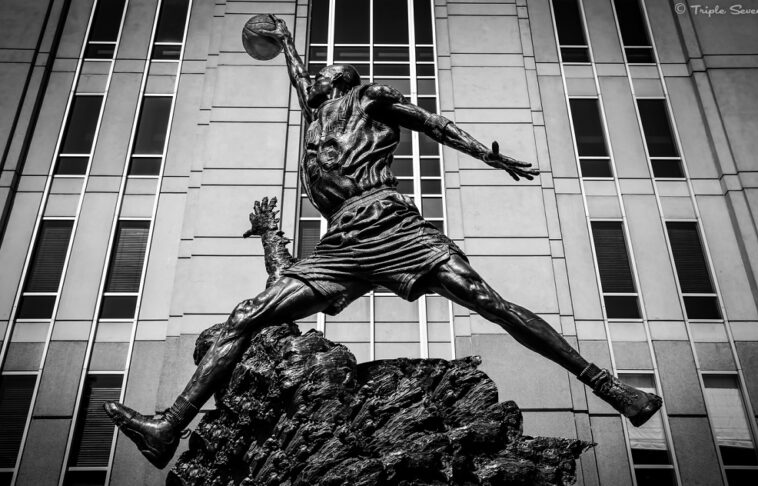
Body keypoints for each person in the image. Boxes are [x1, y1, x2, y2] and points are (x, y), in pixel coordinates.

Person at [105, 16, 662, 468]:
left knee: (488, 302)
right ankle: (167, 427)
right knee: (246, 316)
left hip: (392, 225)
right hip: (342, 244)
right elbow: (298, 75)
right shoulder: (317, 110)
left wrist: (488, 155)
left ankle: (613, 390)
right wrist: (287, 41)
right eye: (314, 75)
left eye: (326, 74)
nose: (314, 78)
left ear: (343, 81)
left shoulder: (369, 98)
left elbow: (433, 124)